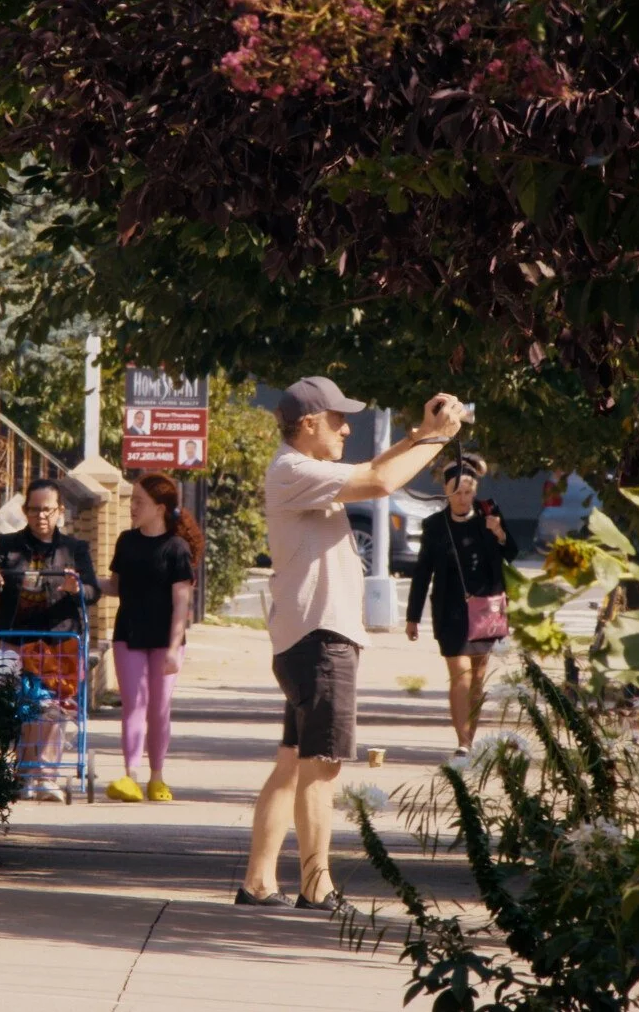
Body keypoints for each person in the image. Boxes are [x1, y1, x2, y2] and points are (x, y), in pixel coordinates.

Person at [237, 377, 466, 913]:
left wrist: (420, 436)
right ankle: (318, 889)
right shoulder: (294, 468)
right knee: (324, 766)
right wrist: (436, 439)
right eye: (338, 418)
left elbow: (372, 471)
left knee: (292, 762)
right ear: (309, 424)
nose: (347, 426)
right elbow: (380, 481)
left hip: (306, 637)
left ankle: (258, 882)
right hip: (321, 639)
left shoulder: (298, 470)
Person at [0, 479, 101, 802]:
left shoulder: (74, 549)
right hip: (14, 636)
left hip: (57, 639)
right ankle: (24, 774)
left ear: (60, 511)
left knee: (51, 704)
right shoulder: (8, 544)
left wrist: (77, 589)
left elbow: (94, 591)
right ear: (25, 511)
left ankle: (45, 775)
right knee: (21, 702)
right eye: (34, 509)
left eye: (47, 509)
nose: (41, 516)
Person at [406, 456, 520, 756]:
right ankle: (463, 742)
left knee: (478, 677)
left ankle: (471, 733)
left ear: (475, 491)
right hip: (449, 609)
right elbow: (422, 573)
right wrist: (412, 617)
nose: (462, 498)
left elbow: (513, 552)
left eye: (468, 492)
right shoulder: (434, 526)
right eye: (456, 492)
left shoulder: (489, 515)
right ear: (446, 491)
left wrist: (498, 532)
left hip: (486, 604)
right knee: (460, 674)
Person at [100, 473, 203, 803]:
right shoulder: (126, 542)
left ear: (160, 508)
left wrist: (174, 648)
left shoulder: (177, 550)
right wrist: (84, 582)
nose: (132, 506)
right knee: (133, 705)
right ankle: (130, 776)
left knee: (159, 709)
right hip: (128, 634)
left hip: (165, 640)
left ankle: (157, 777)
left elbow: (181, 604)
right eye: (132, 500)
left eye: (139, 502)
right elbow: (115, 586)